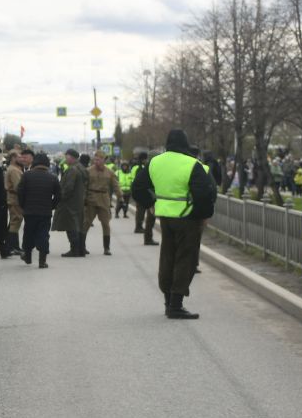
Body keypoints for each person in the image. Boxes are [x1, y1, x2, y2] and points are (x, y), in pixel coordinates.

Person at [132, 129, 215, 318]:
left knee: (167, 257)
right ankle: (176, 305)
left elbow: (138, 188)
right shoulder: (192, 164)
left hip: (166, 219)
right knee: (186, 259)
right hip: (188, 218)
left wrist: (151, 204)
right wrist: (202, 215)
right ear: (185, 143)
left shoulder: (155, 162)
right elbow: (204, 194)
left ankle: (168, 300)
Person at [15, 151, 60, 268]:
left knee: (28, 233)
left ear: (35, 163)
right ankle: (42, 261)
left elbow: (20, 192)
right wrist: (51, 206)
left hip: (29, 211)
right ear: (47, 164)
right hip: (45, 212)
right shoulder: (53, 178)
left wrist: (23, 205)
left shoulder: (27, 175)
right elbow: (59, 195)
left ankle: (28, 257)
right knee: (43, 235)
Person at [55, 150, 87, 257]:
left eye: (67, 156)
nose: (65, 158)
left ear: (72, 157)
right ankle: (80, 249)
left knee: (71, 226)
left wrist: (60, 197)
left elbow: (68, 187)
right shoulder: (81, 168)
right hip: (78, 201)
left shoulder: (73, 170)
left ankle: (74, 250)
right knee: (77, 225)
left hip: (70, 202)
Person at [82, 153, 115, 256]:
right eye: (95, 160)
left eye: (99, 160)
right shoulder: (88, 171)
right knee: (86, 223)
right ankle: (81, 246)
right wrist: (84, 199)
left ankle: (106, 248)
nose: (96, 162)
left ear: (104, 160)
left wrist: (121, 197)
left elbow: (115, 185)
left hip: (104, 200)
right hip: (91, 198)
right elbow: (84, 186)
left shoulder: (109, 172)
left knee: (106, 224)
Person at [129, 150, 157, 246]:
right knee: (149, 216)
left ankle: (142, 230)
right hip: (146, 193)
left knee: (144, 213)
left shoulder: (143, 167)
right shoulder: (145, 168)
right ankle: (145, 234)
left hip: (141, 192)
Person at [4, 150, 26, 244]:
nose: (21, 159)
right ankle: (12, 245)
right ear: (13, 158)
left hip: (13, 198)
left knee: (15, 221)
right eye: (19, 157)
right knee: (16, 221)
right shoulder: (14, 170)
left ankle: (11, 245)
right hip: (15, 199)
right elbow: (18, 187)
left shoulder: (14, 168)